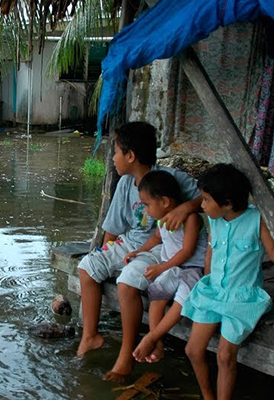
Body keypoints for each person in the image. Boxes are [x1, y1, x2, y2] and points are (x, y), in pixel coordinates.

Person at [76, 121, 202, 383]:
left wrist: (185, 207)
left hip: (158, 248)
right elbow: (112, 227)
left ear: (130, 156)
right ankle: (90, 336)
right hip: (131, 243)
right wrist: (104, 255)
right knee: (87, 267)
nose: (113, 157)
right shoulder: (124, 184)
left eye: (115, 152)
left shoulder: (170, 179)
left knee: (127, 283)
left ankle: (126, 357)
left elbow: (207, 195)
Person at [180, 164, 274, 400]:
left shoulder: (257, 220)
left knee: (225, 355)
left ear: (228, 203)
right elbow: (211, 252)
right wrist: (207, 278)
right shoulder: (215, 219)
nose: (201, 205)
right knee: (193, 350)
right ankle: (207, 396)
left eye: (206, 200)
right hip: (213, 291)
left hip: (241, 298)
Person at [128, 170, 207, 364]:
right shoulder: (161, 220)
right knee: (156, 295)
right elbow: (156, 238)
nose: (145, 210)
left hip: (193, 268)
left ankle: (152, 337)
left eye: (147, 204)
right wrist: (138, 251)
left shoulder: (191, 219)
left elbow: (187, 251)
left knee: (182, 298)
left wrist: (162, 267)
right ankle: (158, 343)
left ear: (164, 202)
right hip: (173, 268)